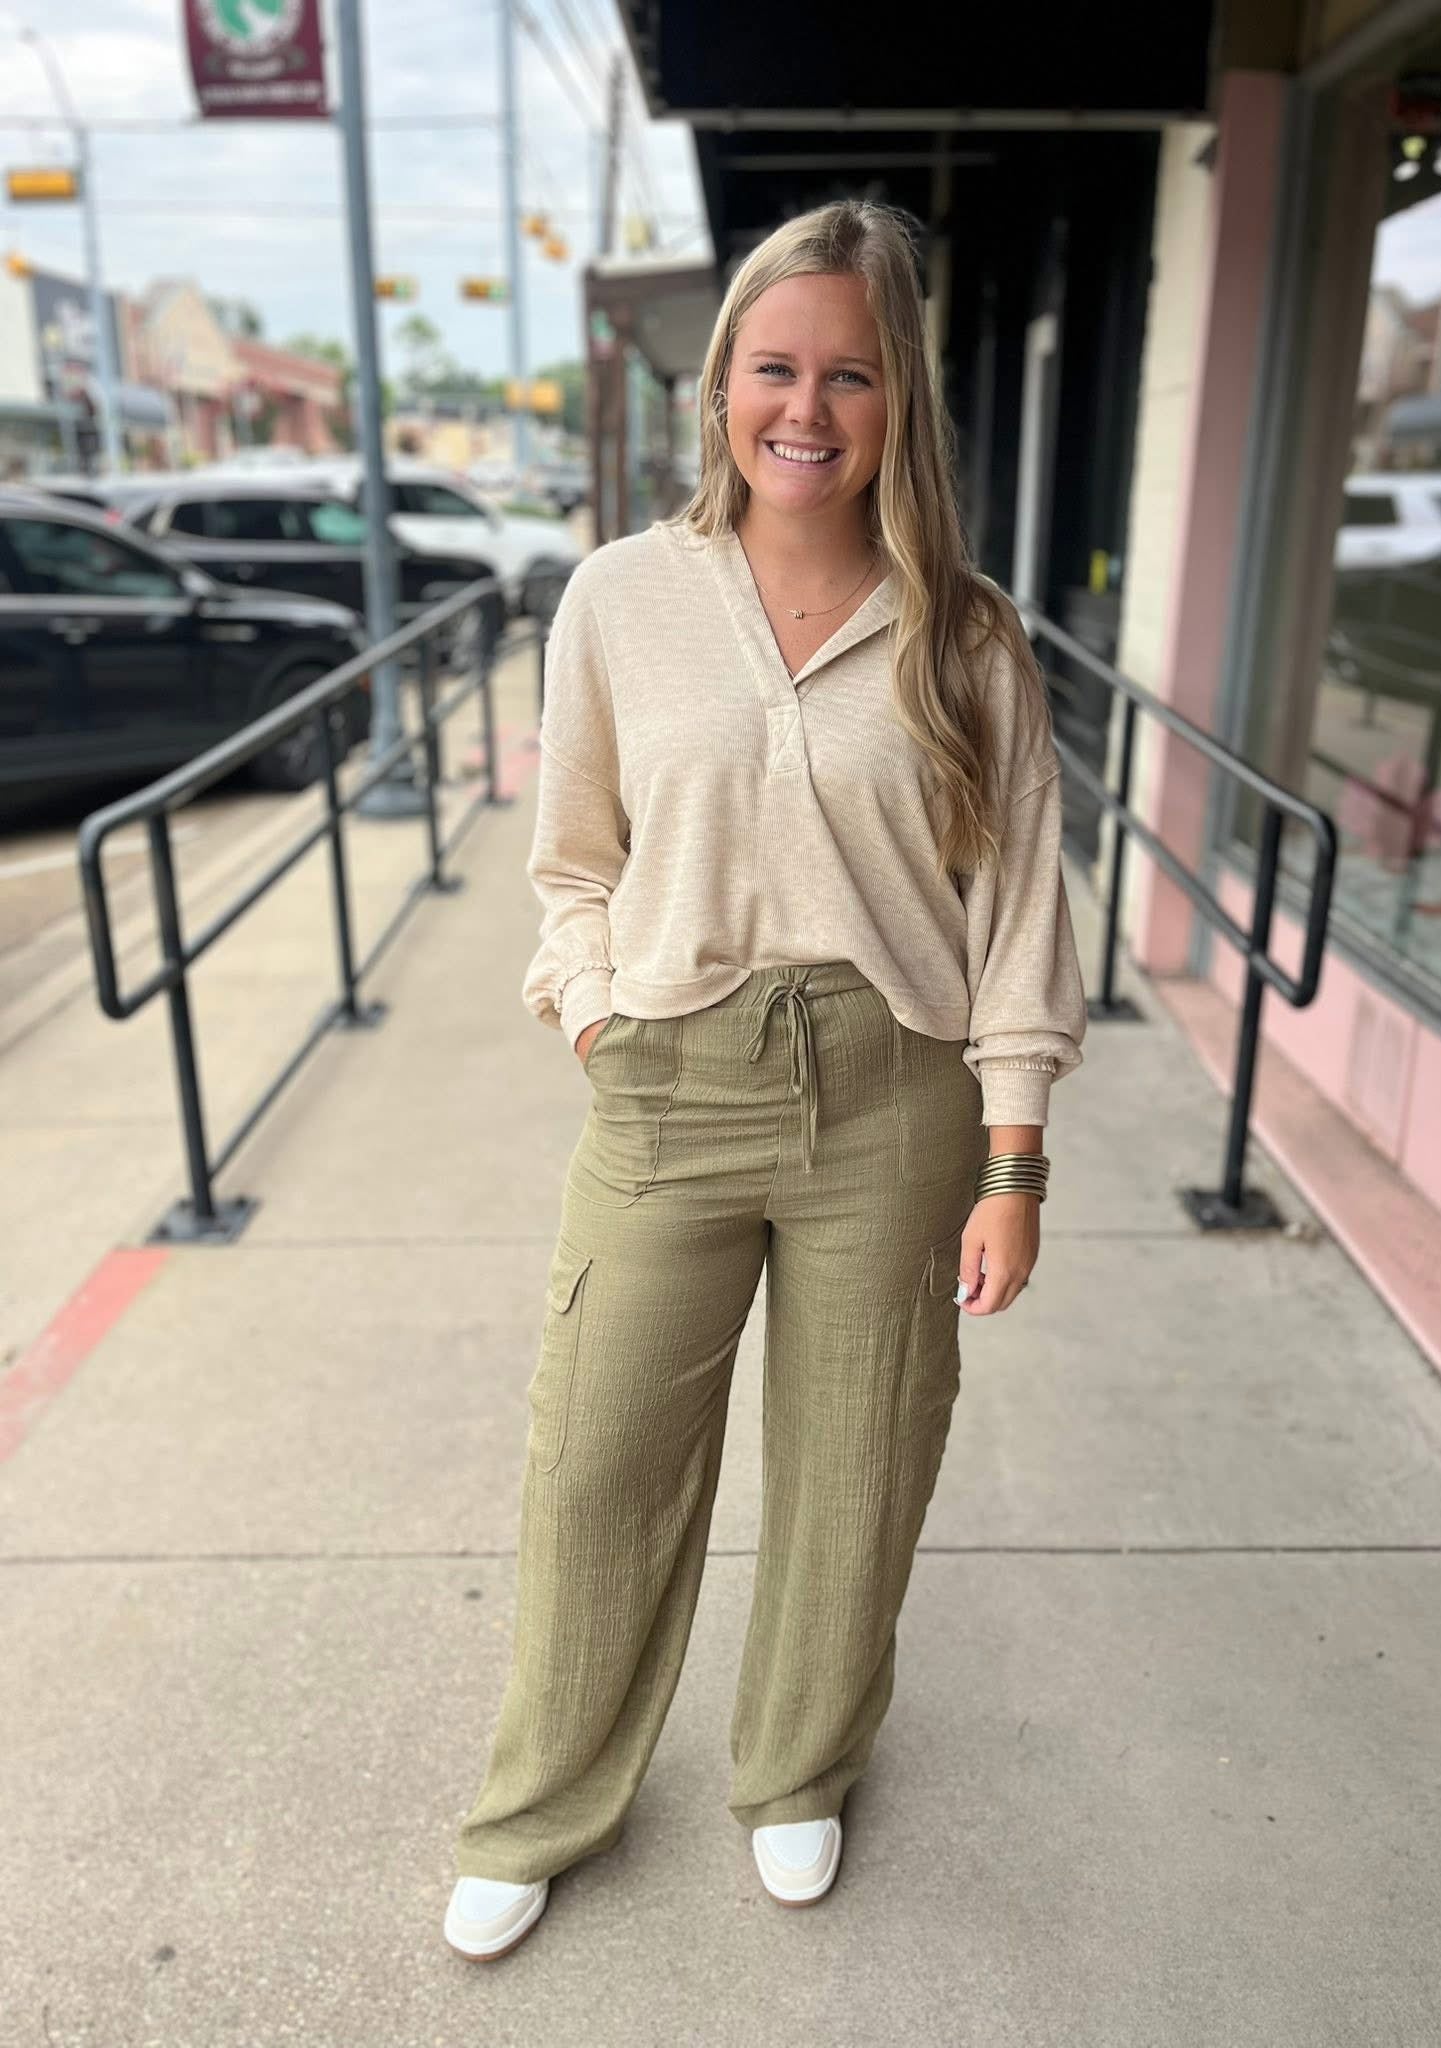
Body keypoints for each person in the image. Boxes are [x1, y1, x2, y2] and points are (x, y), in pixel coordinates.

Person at [443, 198, 1087, 1960]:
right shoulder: (621, 598)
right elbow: (572, 860)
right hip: (669, 1082)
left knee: (858, 1464)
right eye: (775, 367)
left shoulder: (968, 633)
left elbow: (1019, 911)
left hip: (897, 1095)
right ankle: (543, 1801)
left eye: (850, 375)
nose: (807, 408)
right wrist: (597, 1015)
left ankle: (800, 1767)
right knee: (597, 1464)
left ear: (900, 401)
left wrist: (1014, 1162)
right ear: (723, 378)